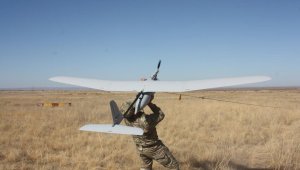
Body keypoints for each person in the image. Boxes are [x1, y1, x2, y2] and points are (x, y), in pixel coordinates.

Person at [121, 96, 179, 170]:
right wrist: (149, 103)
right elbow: (161, 114)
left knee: (146, 167)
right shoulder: (146, 121)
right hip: (154, 148)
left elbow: (126, 110)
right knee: (174, 166)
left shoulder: (127, 120)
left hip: (140, 149)